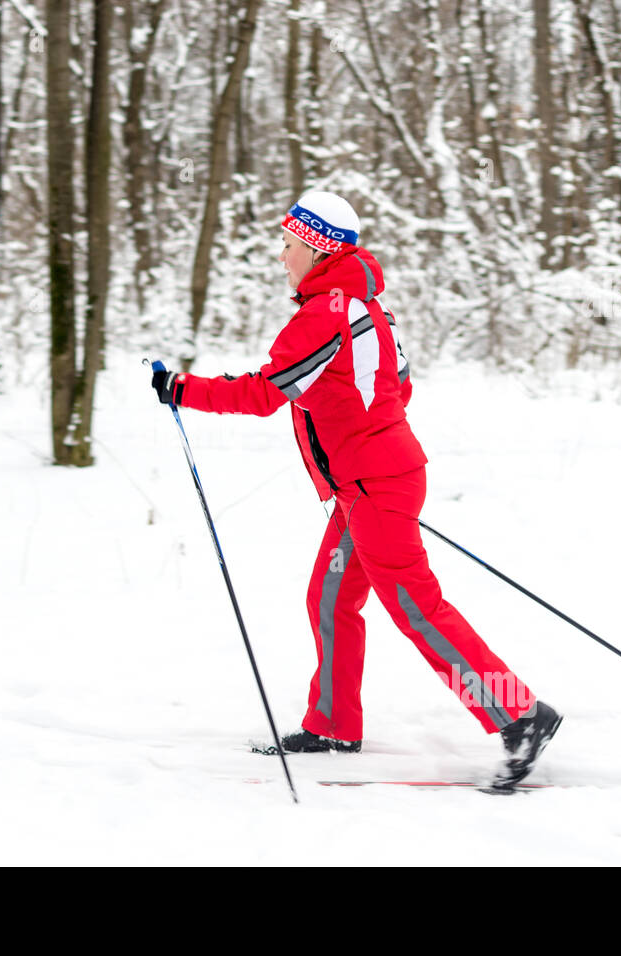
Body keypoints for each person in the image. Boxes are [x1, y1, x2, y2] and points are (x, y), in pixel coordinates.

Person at [151, 191, 562, 787]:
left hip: (375, 486)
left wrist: (183, 389)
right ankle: (333, 724)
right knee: (331, 595)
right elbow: (400, 387)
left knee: (418, 608)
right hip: (370, 483)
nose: (282, 257)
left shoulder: (323, 315)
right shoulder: (373, 310)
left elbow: (266, 393)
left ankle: (520, 715)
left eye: (289, 245)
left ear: (317, 248)